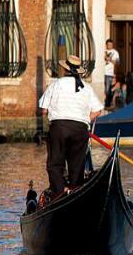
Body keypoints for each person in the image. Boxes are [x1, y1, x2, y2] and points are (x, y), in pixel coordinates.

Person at [37, 54, 104, 195]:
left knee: (55, 164)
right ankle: (75, 190)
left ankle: (60, 192)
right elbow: (98, 111)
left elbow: (43, 110)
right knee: (77, 165)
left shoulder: (55, 85)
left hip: (59, 127)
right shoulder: (86, 87)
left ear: (64, 69)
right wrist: (85, 119)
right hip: (80, 129)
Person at [103, 40, 120, 107]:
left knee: (108, 90)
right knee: (105, 90)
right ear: (106, 45)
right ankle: (106, 103)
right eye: (108, 44)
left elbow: (118, 63)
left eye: (111, 44)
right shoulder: (103, 51)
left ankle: (108, 104)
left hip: (109, 73)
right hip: (102, 72)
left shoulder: (115, 52)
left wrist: (109, 59)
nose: (109, 46)